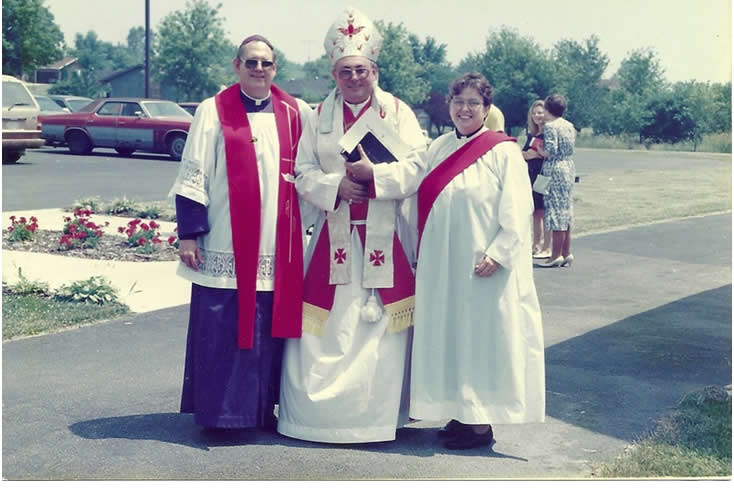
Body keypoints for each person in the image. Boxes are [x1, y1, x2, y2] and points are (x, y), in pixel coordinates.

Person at [277, 6, 428, 444]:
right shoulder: (317, 116)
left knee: (381, 327)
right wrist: (337, 186)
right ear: (334, 74)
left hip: (385, 235)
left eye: (361, 70)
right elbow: (302, 171)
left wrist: (374, 177)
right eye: (345, 71)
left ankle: (376, 419)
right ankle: (316, 418)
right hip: (334, 234)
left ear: (374, 70)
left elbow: (418, 166)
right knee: (327, 327)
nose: (354, 78)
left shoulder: (398, 112)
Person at [168, 35, 313, 432]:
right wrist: (189, 234)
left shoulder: (296, 112)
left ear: (275, 68)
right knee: (223, 328)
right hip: (225, 240)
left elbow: (313, 169)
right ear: (237, 66)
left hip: (276, 242)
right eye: (251, 62)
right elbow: (193, 173)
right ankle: (221, 416)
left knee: (268, 328)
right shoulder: (213, 111)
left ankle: (261, 410)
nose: (259, 69)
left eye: (266, 63)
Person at [410, 73, 545, 450]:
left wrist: (499, 253)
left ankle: (480, 425)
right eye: (459, 102)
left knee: (478, 342)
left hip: (482, 266)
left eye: (473, 103)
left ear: (486, 109)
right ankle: (459, 414)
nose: (464, 109)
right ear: (449, 105)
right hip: (443, 264)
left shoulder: (503, 152)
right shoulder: (438, 147)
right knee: (450, 338)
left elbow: (519, 209)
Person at [535, 94, 576, 268]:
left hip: (555, 169)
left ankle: (555, 255)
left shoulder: (551, 126)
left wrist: (540, 150)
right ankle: (566, 252)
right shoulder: (569, 125)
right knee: (566, 210)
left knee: (555, 211)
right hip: (568, 166)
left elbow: (550, 151)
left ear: (548, 109)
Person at [522, 100, 551, 258]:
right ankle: (536, 244)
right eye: (534, 113)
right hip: (531, 175)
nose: (537, 116)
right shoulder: (531, 134)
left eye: (539, 112)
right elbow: (523, 152)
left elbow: (550, 153)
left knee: (545, 212)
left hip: (544, 175)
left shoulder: (550, 133)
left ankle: (547, 246)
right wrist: (528, 155)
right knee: (535, 212)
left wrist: (537, 154)